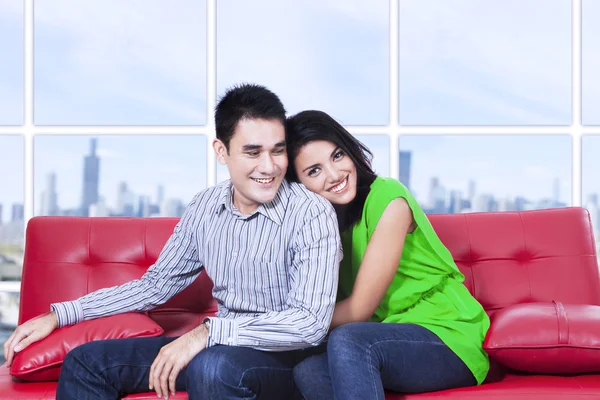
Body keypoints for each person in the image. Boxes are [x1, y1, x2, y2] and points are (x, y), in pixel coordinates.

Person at [3, 85, 342, 400]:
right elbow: (155, 286)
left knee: (212, 367)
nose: (269, 167)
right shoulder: (205, 207)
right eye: (252, 152)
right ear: (221, 151)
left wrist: (206, 333)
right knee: (88, 362)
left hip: (287, 358)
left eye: (278, 151)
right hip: (217, 346)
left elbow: (308, 324)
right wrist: (60, 314)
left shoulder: (311, 213)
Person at [285, 110, 490, 400]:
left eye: (338, 155)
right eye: (314, 171)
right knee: (308, 370)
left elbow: (359, 310)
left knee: (349, 341)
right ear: (298, 185)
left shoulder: (389, 198)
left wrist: (281, 323)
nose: (334, 175)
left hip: (448, 335)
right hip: (387, 339)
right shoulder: (318, 227)